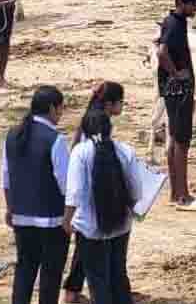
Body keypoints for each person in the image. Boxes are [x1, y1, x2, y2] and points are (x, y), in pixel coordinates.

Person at [64, 109, 141, 304]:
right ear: (110, 128)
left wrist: (66, 221)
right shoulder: (126, 150)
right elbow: (136, 191)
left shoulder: (80, 152)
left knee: (98, 281)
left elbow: (75, 193)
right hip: (121, 225)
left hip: (90, 228)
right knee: (119, 276)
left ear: (85, 131)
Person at [4, 86, 70, 304]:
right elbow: (66, 184)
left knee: (24, 270)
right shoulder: (55, 139)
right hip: (51, 219)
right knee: (50, 277)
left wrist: (10, 208)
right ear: (52, 108)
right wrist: (70, 216)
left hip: (21, 216)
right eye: (61, 109)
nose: (61, 114)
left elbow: (6, 178)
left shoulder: (12, 135)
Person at [156, 0, 196, 211]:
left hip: (173, 89)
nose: (195, 9)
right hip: (178, 90)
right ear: (180, 3)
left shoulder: (173, 22)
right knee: (182, 142)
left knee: (175, 139)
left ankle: (176, 193)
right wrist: (177, 74)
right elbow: (162, 52)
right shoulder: (175, 25)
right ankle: (183, 196)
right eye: (192, 5)